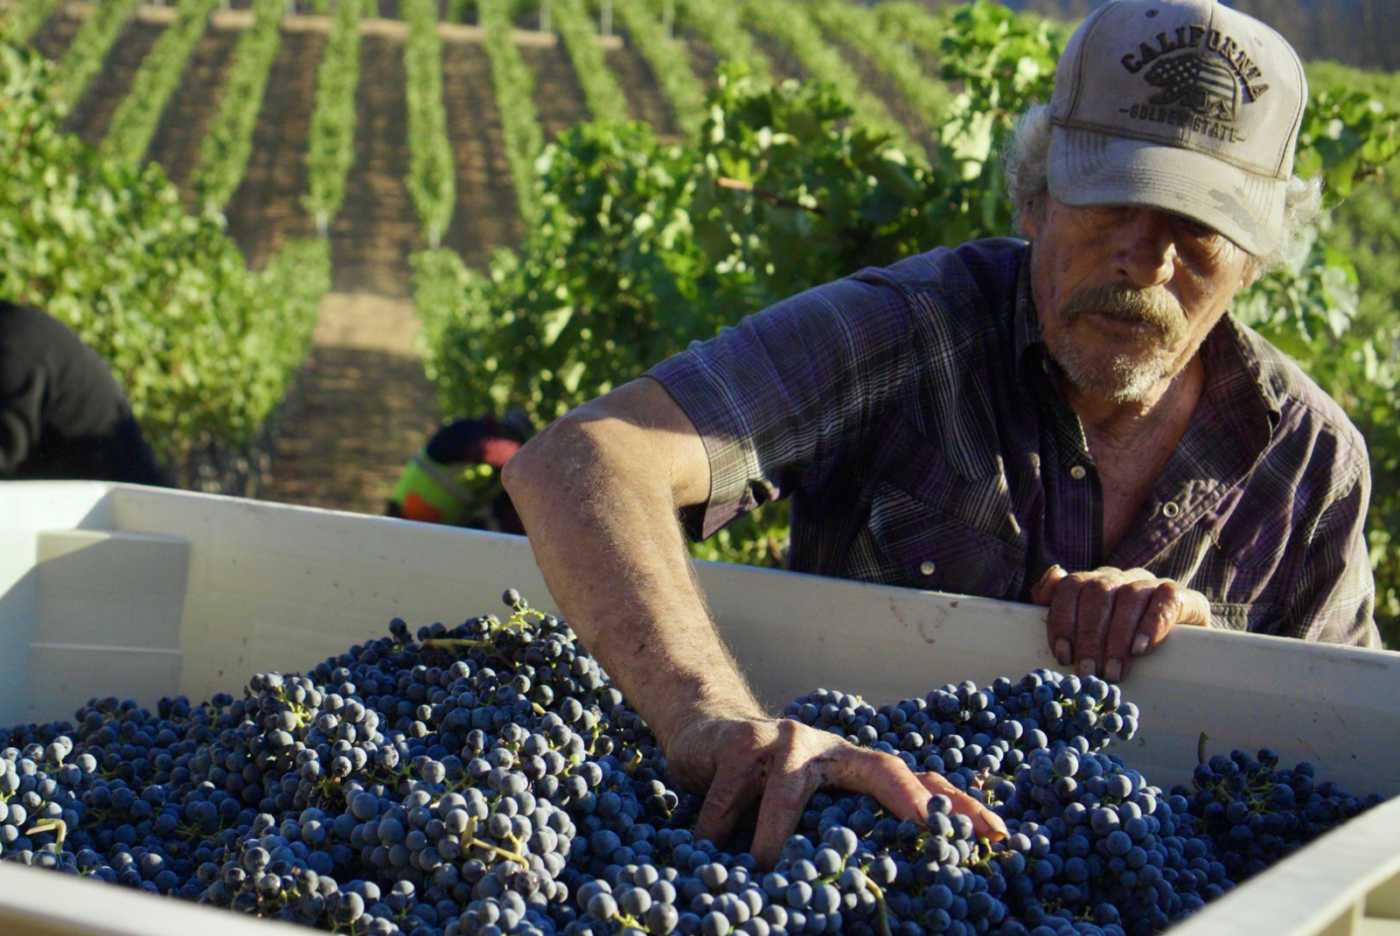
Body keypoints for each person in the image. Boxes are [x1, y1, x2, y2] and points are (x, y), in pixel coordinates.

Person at [500, 0, 1382, 865]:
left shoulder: (1308, 463)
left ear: (1255, 261)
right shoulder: (908, 335)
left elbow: (1350, 754)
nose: (1145, 262)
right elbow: (585, 458)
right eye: (1111, 204)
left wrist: (1210, 662)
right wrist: (711, 718)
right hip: (857, 874)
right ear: (1035, 199)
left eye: (1199, 228)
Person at [0, 300, 170, 486]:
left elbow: (7, 443)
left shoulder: (14, 348)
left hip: (117, 504)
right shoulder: (16, 329)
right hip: (77, 495)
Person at [386, 415, 530, 532]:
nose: (511, 447)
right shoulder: (462, 432)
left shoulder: (501, 475)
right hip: (401, 518)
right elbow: (493, 449)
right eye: (510, 439)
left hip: (436, 536)